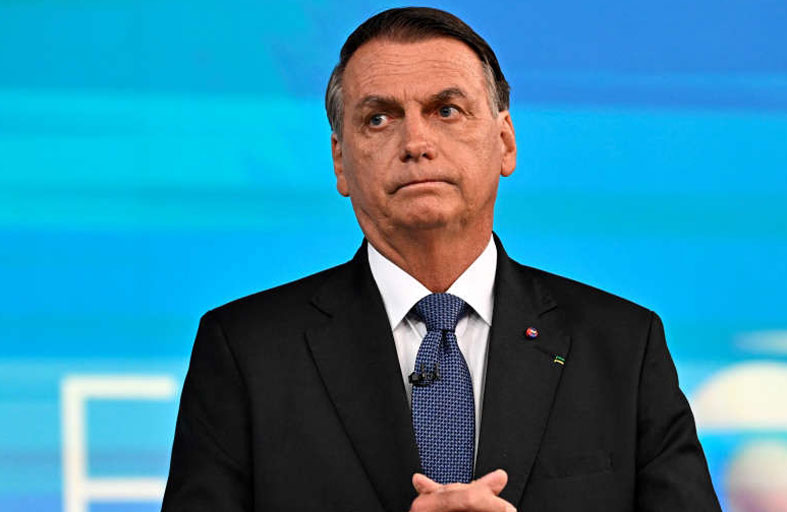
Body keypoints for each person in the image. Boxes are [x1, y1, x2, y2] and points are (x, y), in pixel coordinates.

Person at [162, 7, 721, 511]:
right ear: (340, 160)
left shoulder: (623, 347)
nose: (416, 142)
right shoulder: (245, 352)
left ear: (505, 141)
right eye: (379, 118)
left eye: (446, 110)